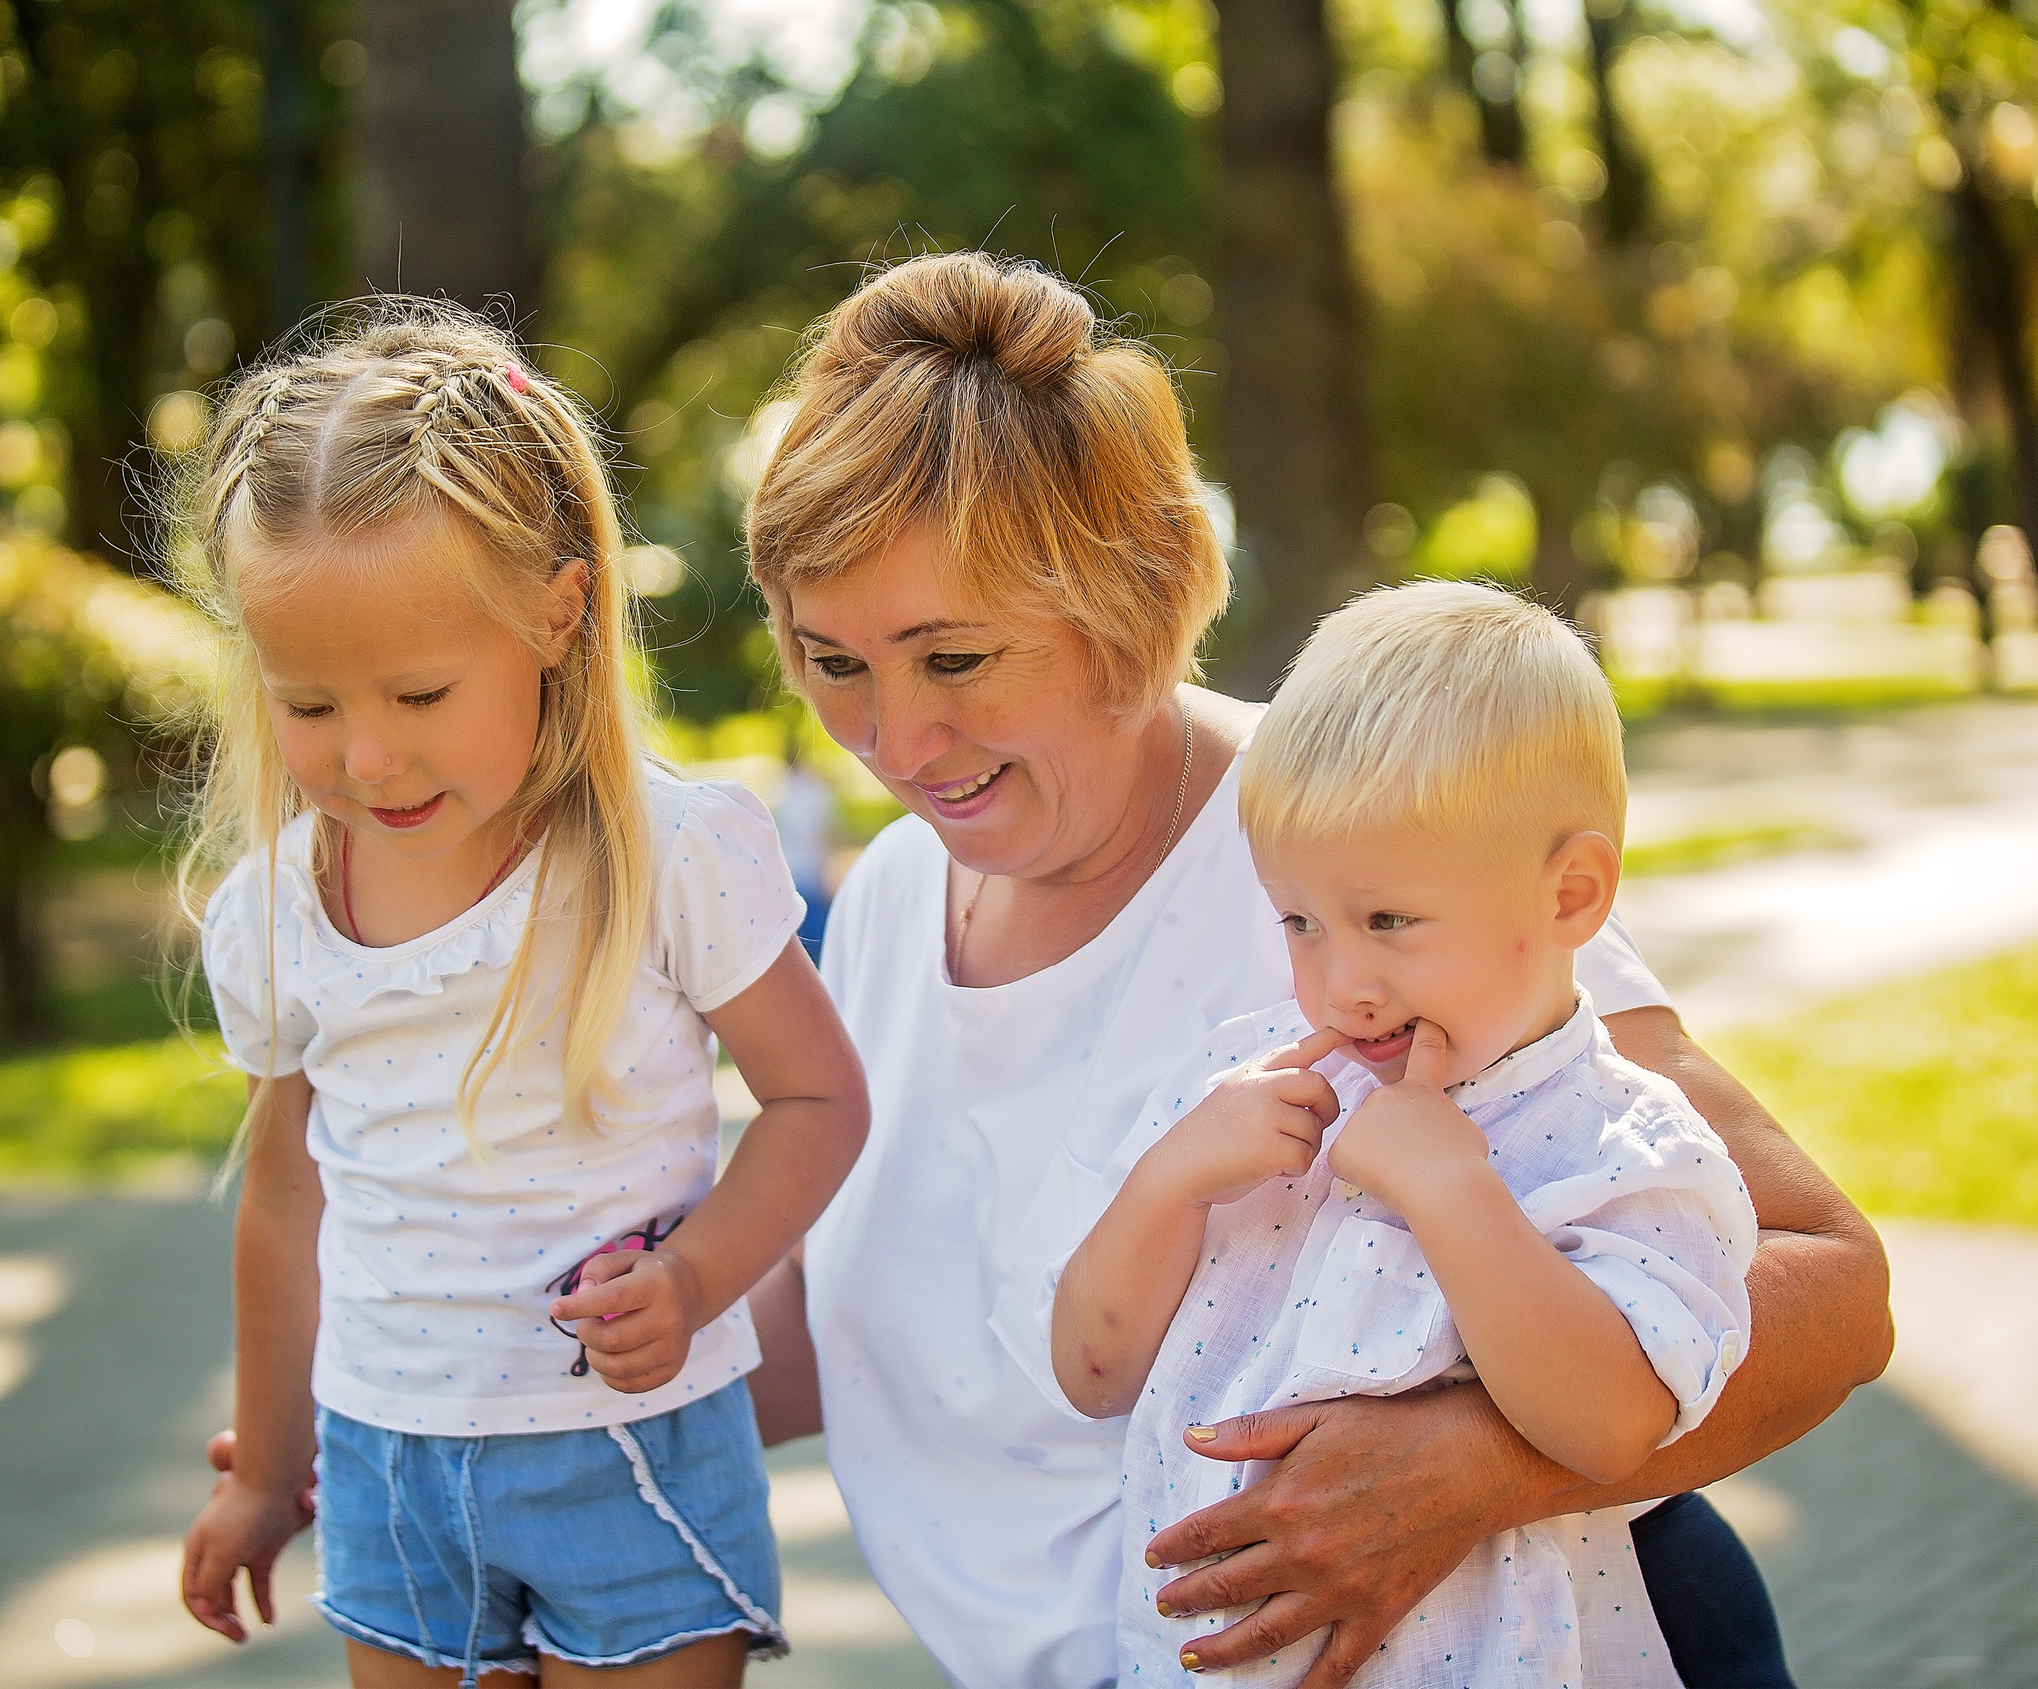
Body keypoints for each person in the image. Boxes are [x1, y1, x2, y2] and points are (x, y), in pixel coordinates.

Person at [739, 252, 1888, 1688]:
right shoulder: (896, 892)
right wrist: (466, 1381)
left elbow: (1831, 1284)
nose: (895, 744)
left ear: (1132, 597)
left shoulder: (1358, 841)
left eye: (956, 658)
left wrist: (1472, 1468)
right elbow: (855, 1305)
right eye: (832, 659)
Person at [169, 301, 870, 1689]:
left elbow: (820, 1096)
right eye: (309, 704)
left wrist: (695, 1275)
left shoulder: (668, 855)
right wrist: (267, 1461)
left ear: (556, 611)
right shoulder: (274, 912)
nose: (368, 753)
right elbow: (284, 1194)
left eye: (421, 690)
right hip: (384, 1461)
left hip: (633, 1442)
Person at [1041, 583, 1757, 1686]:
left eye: (1388, 922)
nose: (1342, 983)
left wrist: (1454, 1196)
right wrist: (1165, 1186)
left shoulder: (1624, 1145)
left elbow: (1612, 1425)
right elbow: (1090, 1374)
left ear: (1572, 895)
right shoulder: (1246, 1088)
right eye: (1298, 922)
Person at [769, 736, 839, 963]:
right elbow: (826, 833)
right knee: (818, 932)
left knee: (798, 932)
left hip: (791, 868)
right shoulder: (816, 791)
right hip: (812, 867)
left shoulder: (782, 790)